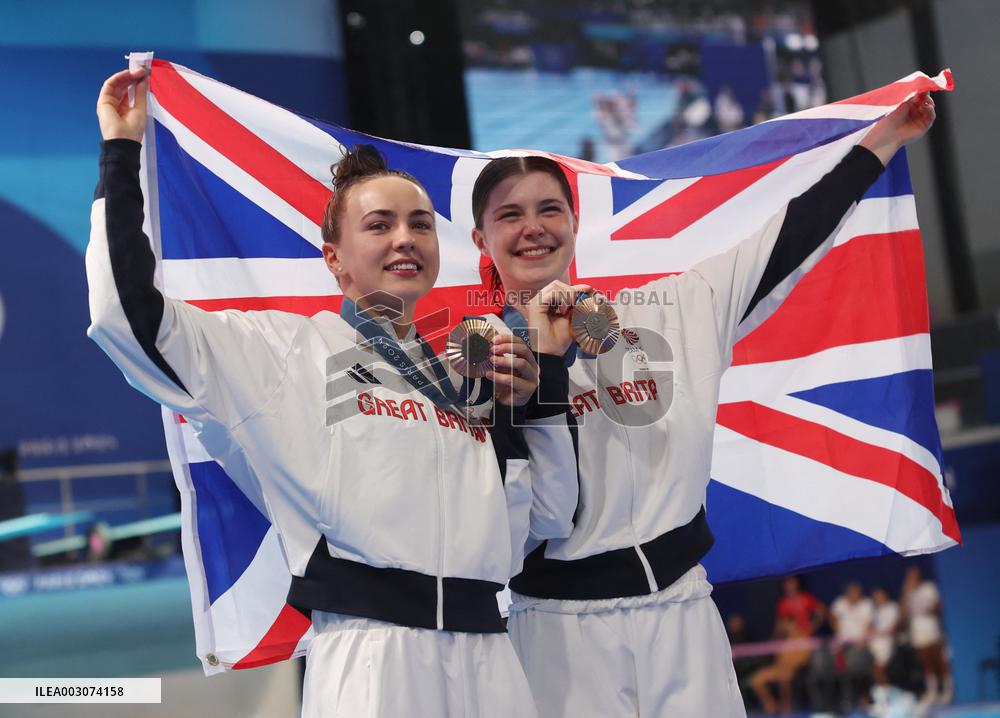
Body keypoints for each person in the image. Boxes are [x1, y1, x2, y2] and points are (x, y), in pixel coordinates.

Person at [88, 67, 580, 718]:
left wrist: (542, 388)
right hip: (374, 662)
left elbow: (550, 514)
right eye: (379, 224)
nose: (405, 237)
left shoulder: (474, 370)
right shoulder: (283, 351)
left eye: (420, 223)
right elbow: (128, 318)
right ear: (334, 258)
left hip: (492, 659)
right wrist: (121, 155)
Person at [468, 90, 936, 717]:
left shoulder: (676, 310)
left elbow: (790, 233)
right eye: (510, 215)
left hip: (682, 617)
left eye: (550, 208)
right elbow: (513, 516)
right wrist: (545, 364)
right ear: (481, 236)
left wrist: (882, 142)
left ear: (575, 221)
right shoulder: (477, 358)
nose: (534, 228)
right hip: (557, 633)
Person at [901, 565, 953, 705]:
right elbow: (904, 614)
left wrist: (927, 607)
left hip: (931, 627)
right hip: (917, 631)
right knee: (926, 663)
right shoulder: (908, 592)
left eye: (914, 576)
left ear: (919, 576)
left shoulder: (928, 588)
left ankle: (948, 691)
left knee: (939, 660)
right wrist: (906, 592)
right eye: (910, 576)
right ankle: (932, 692)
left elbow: (937, 607)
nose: (912, 578)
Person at [829, 581, 875, 711]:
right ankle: (843, 701)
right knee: (834, 665)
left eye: (857, 592)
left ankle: (862, 698)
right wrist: (837, 629)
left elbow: (869, 626)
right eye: (852, 592)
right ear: (847, 593)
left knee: (855, 664)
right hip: (842, 646)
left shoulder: (867, 604)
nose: (855, 595)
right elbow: (832, 617)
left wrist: (862, 641)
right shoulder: (840, 603)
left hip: (861, 646)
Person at [869, 586, 900, 688]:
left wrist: (881, 633)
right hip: (874, 642)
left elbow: (894, 628)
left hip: (888, 642)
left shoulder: (893, 607)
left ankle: (888, 692)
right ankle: (882, 692)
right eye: (875, 597)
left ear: (885, 595)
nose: (877, 598)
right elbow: (871, 628)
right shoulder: (875, 612)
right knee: (872, 667)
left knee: (878, 668)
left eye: (879, 596)